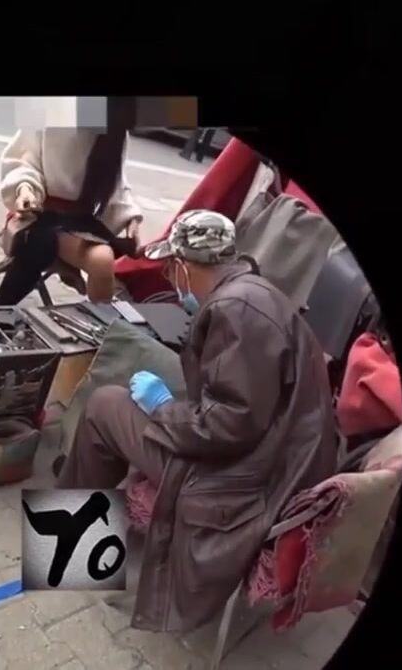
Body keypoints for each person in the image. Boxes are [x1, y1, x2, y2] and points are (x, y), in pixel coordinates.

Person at [55, 210, 338, 633]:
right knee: (121, 402)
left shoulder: (235, 310)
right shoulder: (253, 291)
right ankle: (83, 528)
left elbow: (227, 426)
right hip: (272, 461)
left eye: (171, 267)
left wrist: (162, 408)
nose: (170, 277)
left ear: (183, 266)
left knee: (105, 405)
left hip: (247, 480)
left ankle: (72, 548)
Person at [0, 105, 143, 305]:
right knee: (47, 249)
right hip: (38, 212)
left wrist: (130, 218)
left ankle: (102, 321)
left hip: (80, 220)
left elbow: (117, 182)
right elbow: (24, 158)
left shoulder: (115, 124)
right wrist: (25, 188)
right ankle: (0, 310)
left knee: (103, 261)